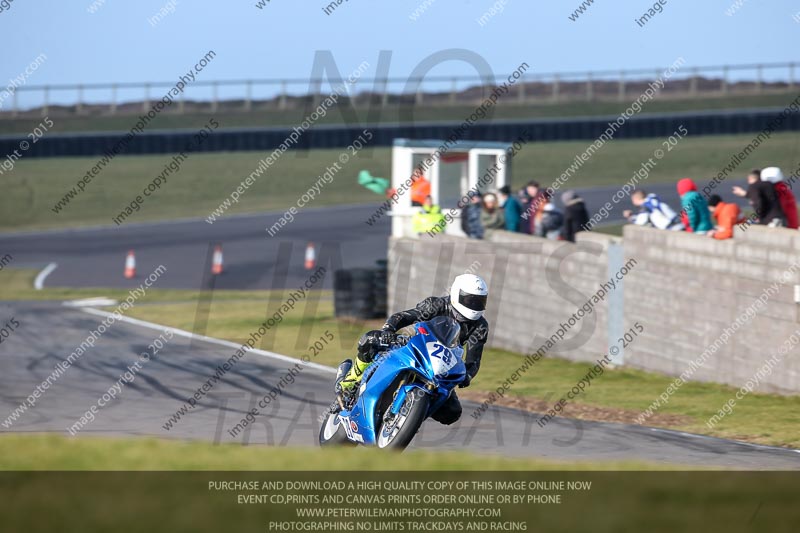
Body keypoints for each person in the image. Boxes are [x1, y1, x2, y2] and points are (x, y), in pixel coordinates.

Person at [336, 274, 490, 426]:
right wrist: (388, 331)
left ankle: (410, 417)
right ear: (457, 294)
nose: (474, 306)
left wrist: (467, 376)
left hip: (441, 366)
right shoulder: (436, 305)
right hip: (414, 347)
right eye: (471, 300)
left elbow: (474, 360)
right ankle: (349, 382)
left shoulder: (480, 326)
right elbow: (404, 317)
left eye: (479, 301)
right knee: (369, 340)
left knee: (452, 412)